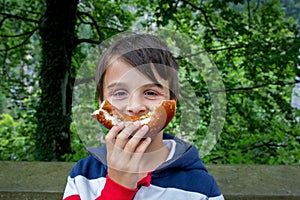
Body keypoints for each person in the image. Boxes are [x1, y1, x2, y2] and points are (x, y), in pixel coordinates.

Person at [63, 33, 224, 200]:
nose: (135, 107)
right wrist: (118, 188)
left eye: (151, 93)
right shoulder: (83, 177)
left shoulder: (201, 188)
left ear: (172, 103)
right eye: (119, 93)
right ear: (102, 104)